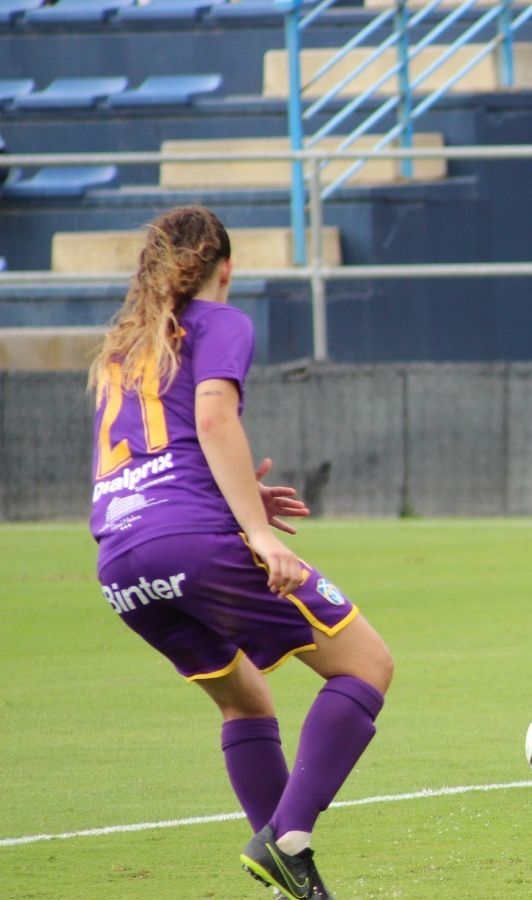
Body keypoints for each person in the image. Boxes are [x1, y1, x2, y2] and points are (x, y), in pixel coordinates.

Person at [87, 206, 393, 898]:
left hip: (120, 559)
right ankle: (287, 840)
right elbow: (213, 416)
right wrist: (253, 533)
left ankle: (294, 875)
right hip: (191, 541)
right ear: (226, 266)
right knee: (367, 664)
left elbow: (143, 463)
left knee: (245, 701)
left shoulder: (121, 348)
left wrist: (236, 502)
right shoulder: (222, 321)